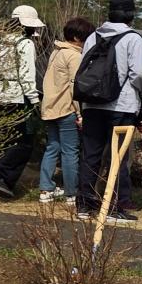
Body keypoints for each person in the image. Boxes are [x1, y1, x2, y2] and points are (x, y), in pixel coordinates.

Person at [77, 0, 142, 224]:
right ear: (130, 15)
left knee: (90, 154)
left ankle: (85, 205)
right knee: (118, 157)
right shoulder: (132, 38)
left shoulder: (93, 36)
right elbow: (139, 74)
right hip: (121, 106)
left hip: (92, 105)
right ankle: (115, 205)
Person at [0, 5, 45, 199]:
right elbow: (27, 75)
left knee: (3, 140)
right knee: (24, 143)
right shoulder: (25, 44)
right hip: (15, 97)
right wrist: (35, 100)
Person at [39, 17, 94, 205]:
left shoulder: (56, 52)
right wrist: (80, 113)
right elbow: (75, 87)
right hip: (65, 109)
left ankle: (45, 189)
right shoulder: (74, 56)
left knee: (52, 148)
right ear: (78, 38)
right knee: (70, 151)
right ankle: (71, 193)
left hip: (49, 107)